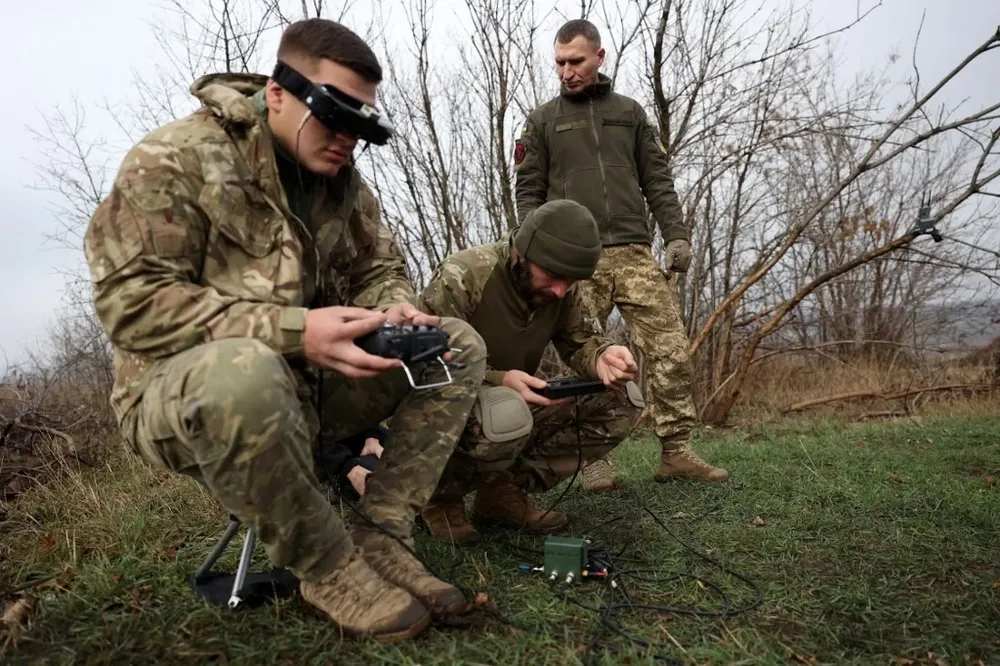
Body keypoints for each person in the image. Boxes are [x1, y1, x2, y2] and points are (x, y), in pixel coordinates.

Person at [82, 18, 488, 641]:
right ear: (277, 92)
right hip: (184, 394)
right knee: (245, 371)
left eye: (361, 126)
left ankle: (381, 535)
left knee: (452, 345)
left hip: (312, 386)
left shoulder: (342, 184)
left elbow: (380, 268)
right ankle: (327, 567)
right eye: (333, 117)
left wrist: (394, 310)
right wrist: (294, 331)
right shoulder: (176, 161)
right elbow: (129, 304)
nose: (346, 140)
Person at [513, 18, 729, 490]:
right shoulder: (543, 120)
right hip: (575, 261)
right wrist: (530, 247)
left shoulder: (629, 113)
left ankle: (676, 452)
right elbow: (527, 190)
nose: (567, 71)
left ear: (599, 57)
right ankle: (591, 460)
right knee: (587, 360)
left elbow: (657, 180)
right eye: (560, 63)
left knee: (669, 349)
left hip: (633, 251)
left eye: (576, 61)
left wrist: (676, 235)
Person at [416, 199, 645, 544]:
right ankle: (439, 498)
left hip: (513, 405)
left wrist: (602, 356)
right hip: (447, 409)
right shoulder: (464, 275)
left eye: (569, 282)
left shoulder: (562, 289)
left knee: (620, 398)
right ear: (522, 253)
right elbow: (422, 362)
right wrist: (497, 379)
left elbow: (579, 339)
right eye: (552, 277)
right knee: (504, 410)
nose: (559, 291)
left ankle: (501, 492)